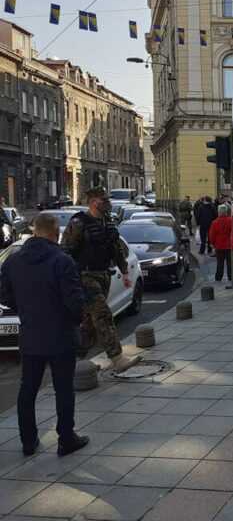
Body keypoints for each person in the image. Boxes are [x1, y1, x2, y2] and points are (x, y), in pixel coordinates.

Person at [1, 214, 89, 457]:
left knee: (27, 388)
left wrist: (25, 311)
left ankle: (28, 441)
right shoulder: (62, 261)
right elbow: (75, 302)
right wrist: (77, 321)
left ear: (34, 231)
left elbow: (5, 296)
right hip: (61, 336)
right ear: (54, 232)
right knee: (63, 389)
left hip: (30, 335)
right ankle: (66, 439)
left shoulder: (14, 261)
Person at [61, 187, 140, 372]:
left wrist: (125, 272)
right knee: (103, 315)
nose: (108, 203)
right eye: (104, 200)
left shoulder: (107, 221)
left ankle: (73, 362)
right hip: (86, 277)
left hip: (104, 275)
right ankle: (117, 358)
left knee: (88, 324)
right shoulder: (79, 222)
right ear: (94, 202)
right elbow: (65, 250)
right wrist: (70, 279)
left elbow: (116, 248)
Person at [208, 205, 233, 282]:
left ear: (218, 212)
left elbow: (212, 234)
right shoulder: (231, 220)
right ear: (226, 212)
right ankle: (231, 276)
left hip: (219, 245)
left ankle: (218, 277)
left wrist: (212, 243)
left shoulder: (214, 222)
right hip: (229, 244)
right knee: (230, 263)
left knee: (220, 263)